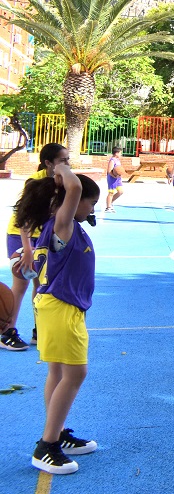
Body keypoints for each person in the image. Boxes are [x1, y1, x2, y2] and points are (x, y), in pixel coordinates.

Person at [21, 164, 102, 474]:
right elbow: (76, 188)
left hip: (57, 305)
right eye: (90, 202)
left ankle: (57, 433)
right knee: (75, 373)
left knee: (58, 371)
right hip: (61, 307)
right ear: (72, 200)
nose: (91, 207)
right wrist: (62, 169)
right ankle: (47, 446)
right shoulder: (61, 224)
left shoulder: (59, 225)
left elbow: (75, 193)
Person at [2, 143, 69, 351]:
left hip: (44, 237)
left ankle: (39, 330)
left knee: (41, 285)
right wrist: (28, 250)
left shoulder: (66, 181)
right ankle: (7, 331)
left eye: (68, 160)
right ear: (49, 163)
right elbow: (25, 218)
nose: (67, 164)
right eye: (62, 160)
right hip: (22, 234)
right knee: (21, 283)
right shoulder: (36, 182)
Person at [103, 144, 124, 213]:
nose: (121, 154)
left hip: (118, 179)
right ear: (116, 153)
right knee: (111, 193)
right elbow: (109, 170)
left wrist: (120, 174)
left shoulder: (117, 160)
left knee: (120, 191)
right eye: (120, 153)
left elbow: (118, 170)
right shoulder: (112, 160)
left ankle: (110, 202)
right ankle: (108, 207)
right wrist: (114, 176)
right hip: (112, 178)